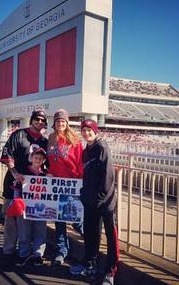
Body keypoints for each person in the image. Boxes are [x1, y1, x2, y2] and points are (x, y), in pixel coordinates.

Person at [70, 119, 119, 285]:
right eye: (83, 130)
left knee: (111, 239)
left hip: (106, 203)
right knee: (91, 235)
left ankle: (110, 272)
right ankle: (89, 264)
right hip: (90, 201)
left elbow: (108, 176)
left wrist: (100, 197)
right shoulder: (86, 150)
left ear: (95, 131)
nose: (86, 133)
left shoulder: (102, 147)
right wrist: (85, 194)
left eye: (89, 130)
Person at [0, 110, 48, 267]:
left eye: (42, 120)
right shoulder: (18, 135)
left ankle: (26, 252)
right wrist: (15, 173)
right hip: (14, 184)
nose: (39, 122)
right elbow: (7, 155)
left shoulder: (44, 141)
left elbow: (47, 165)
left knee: (28, 219)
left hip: (34, 188)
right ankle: (8, 250)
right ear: (32, 120)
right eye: (37, 119)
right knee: (11, 218)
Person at [47, 109, 83, 265]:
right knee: (59, 220)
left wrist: (81, 182)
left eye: (63, 121)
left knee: (76, 219)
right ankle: (62, 251)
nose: (60, 123)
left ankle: (90, 242)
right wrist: (48, 172)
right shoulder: (50, 138)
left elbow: (81, 163)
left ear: (67, 123)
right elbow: (49, 161)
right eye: (58, 121)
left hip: (72, 185)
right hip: (56, 185)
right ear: (54, 124)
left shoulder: (74, 140)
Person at [16, 146, 48, 267]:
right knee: (24, 231)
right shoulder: (23, 172)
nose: (38, 160)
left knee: (40, 231)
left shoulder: (45, 174)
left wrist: (50, 179)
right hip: (25, 206)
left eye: (40, 158)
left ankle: (38, 255)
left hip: (41, 208)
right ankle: (23, 254)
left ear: (43, 160)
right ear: (31, 158)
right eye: (36, 157)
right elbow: (17, 189)